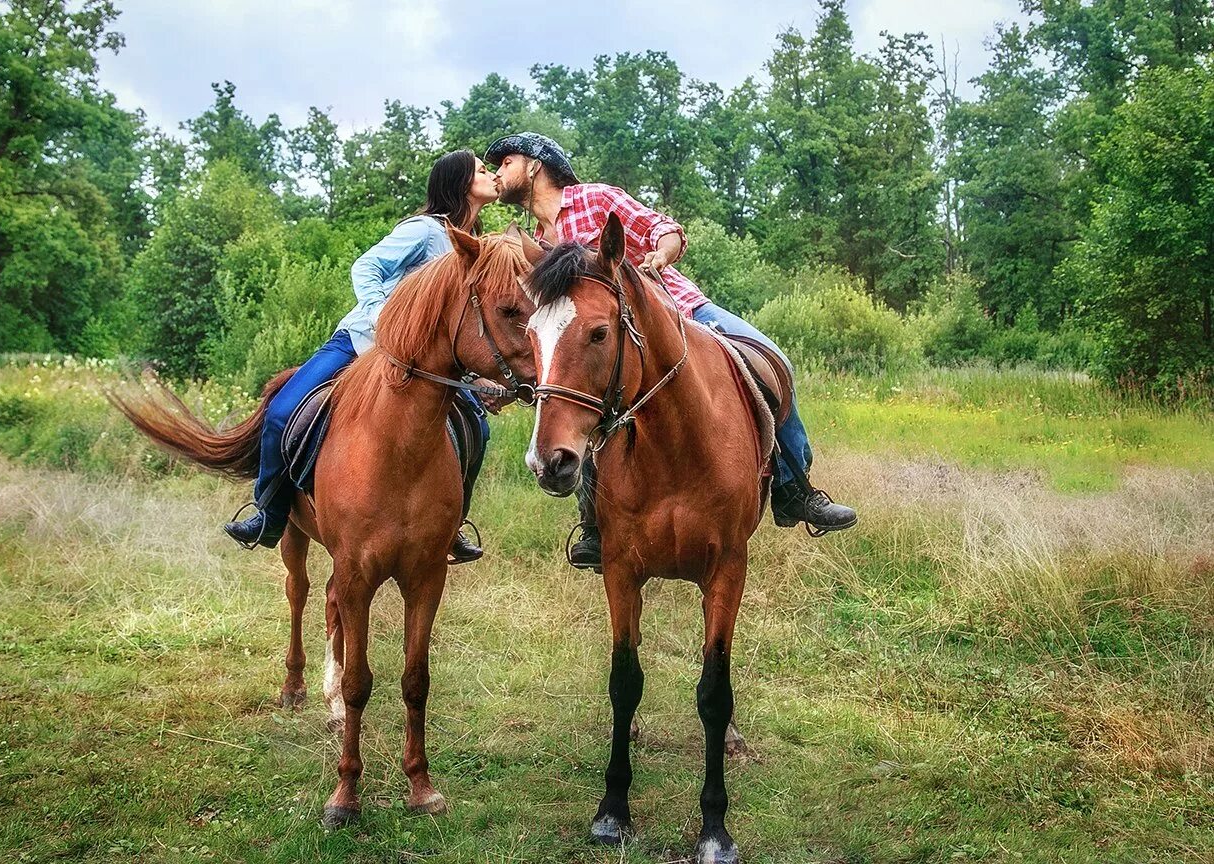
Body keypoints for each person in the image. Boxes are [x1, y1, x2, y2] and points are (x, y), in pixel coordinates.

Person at [484, 132, 857, 568]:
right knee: (583, 403)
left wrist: (660, 255)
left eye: (505, 162)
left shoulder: (594, 199)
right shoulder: (535, 243)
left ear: (534, 165)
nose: (497, 173)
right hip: (609, 347)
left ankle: (795, 490)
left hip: (680, 312)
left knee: (774, 361)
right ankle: (594, 527)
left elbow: (663, 229)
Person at [224, 149, 503, 561]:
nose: (493, 175)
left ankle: (452, 524)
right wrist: (381, 321)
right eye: (482, 170)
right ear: (460, 182)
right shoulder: (426, 231)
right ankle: (269, 513)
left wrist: (477, 376)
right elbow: (366, 266)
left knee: (478, 428)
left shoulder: (474, 248)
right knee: (282, 412)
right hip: (359, 343)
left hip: (421, 366)